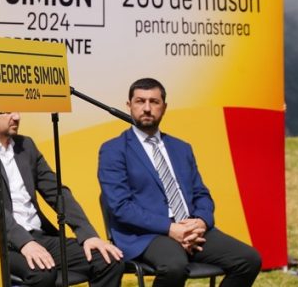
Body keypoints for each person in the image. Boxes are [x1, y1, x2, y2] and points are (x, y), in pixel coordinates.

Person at [98, 77, 262, 287]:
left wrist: (201, 221)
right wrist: (170, 228)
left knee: (249, 260)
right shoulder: (113, 150)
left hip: (191, 228)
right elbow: (120, 207)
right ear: (129, 106)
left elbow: (201, 193)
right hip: (145, 234)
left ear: (164, 108)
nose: (147, 108)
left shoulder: (181, 148)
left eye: (154, 102)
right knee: (174, 266)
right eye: (140, 101)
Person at [0, 112, 124, 287]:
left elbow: (56, 191)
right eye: (7, 111)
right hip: (5, 243)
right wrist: (24, 242)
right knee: (43, 273)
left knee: (108, 260)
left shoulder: (26, 145)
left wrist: (87, 235)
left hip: (40, 236)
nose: (17, 117)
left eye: (17, 110)